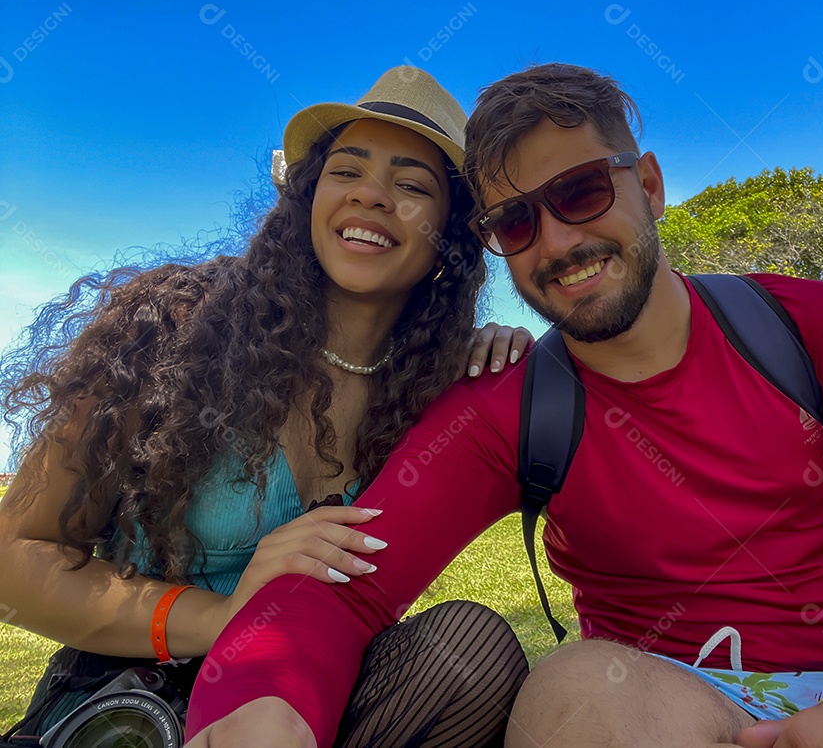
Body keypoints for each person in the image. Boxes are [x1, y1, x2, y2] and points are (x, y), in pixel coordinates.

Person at [184, 63, 823, 748]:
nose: (560, 242)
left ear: (646, 186)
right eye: (518, 224)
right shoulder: (509, 407)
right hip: (667, 703)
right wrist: (266, 709)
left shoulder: (815, 329)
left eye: (579, 193)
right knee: (577, 693)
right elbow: (344, 594)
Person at [0, 67, 532, 745]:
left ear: (450, 238)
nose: (371, 195)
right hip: (134, 698)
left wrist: (500, 357)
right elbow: (15, 557)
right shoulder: (175, 327)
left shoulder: (437, 383)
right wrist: (220, 620)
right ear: (309, 197)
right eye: (347, 172)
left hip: (318, 689)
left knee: (471, 649)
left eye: (411, 185)